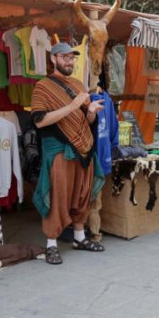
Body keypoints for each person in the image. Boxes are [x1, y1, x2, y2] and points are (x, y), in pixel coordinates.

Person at [31, 42, 105, 265]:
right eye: (65, 58)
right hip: (59, 150)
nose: (69, 62)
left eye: (72, 58)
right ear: (53, 59)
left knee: (82, 194)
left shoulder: (77, 84)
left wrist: (90, 112)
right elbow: (40, 121)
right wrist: (73, 106)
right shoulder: (42, 87)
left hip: (83, 148)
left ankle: (79, 238)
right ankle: (51, 244)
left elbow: (86, 119)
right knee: (58, 196)